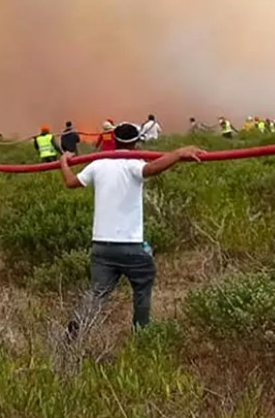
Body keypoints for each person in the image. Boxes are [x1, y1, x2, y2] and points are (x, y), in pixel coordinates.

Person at [60, 122, 205, 328]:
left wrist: (64, 162)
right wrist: (178, 153)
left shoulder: (98, 164)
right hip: (130, 246)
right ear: (136, 143)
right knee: (142, 288)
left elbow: (71, 182)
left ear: (114, 141)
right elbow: (152, 168)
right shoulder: (134, 164)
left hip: (101, 246)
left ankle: (75, 334)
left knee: (97, 294)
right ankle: (142, 333)